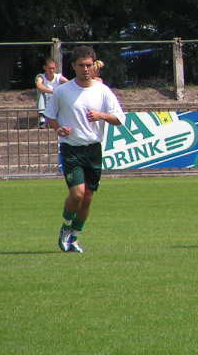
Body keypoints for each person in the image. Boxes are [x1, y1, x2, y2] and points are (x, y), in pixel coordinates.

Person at [44, 46, 125, 253]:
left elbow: (119, 118)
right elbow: (50, 115)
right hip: (72, 149)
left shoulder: (102, 91)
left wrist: (101, 115)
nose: (85, 69)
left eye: (89, 65)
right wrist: (59, 128)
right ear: (73, 66)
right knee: (78, 194)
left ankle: (75, 238)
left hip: (93, 150)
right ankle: (65, 229)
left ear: (93, 66)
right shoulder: (63, 91)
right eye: (81, 65)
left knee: (87, 198)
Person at [36, 57, 68, 128]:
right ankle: (42, 118)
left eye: (53, 68)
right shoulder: (41, 77)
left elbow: (68, 83)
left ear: (56, 68)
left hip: (55, 103)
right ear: (45, 67)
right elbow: (39, 86)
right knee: (40, 93)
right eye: (49, 68)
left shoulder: (58, 77)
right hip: (45, 103)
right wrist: (51, 91)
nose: (51, 70)